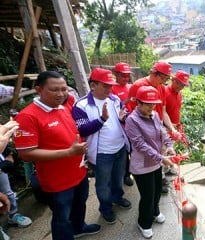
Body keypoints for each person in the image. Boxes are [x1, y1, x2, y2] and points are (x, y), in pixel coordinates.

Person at [14, 71, 101, 240]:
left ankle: (79, 228)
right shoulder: (27, 116)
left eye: (64, 89)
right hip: (57, 181)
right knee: (62, 217)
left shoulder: (63, 106)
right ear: (38, 89)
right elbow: (26, 154)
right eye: (54, 90)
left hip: (78, 172)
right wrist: (68, 152)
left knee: (79, 205)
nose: (61, 94)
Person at [72, 68, 131, 225]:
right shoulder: (81, 105)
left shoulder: (114, 100)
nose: (109, 89)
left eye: (110, 85)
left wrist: (124, 118)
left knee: (118, 178)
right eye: (105, 85)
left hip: (119, 148)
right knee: (103, 184)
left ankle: (117, 198)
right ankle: (105, 208)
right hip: (101, 153)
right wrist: (101, 119)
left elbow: (124, 118)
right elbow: (82, 129)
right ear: (93, 84)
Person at [125, 86, 175, 239]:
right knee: (147, 196)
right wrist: (161, 158)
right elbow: (140, 145)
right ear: (138, 103)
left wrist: (169, 146)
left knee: (158, 190)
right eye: (148, 104)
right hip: (142, 166)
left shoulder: (154, 115)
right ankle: (144, 223)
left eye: (154, 104)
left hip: (156, 162)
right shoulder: (132, 120)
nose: (151, 107)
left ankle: (155, 212)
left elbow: (163, 132)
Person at [126, 61, 177, 193]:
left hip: (156, 125)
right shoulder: (138, 86)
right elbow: (132, 113)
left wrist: (171, 128)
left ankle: (158, 181)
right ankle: (148, 186)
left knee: (160, 157)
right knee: (146, 156)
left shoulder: (161, 87)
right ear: (153, 73)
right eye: (162, 78)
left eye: (166, 79)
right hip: (142, 129)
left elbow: (163, 111)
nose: (163, 82)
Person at [111, 62, 134, 187]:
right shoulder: (112, 88)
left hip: (132, 124)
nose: (126, 78)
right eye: (123, 76)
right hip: (121, 125)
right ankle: (126, 175)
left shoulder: (130, 87)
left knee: (134, 150)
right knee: (124, 151)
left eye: (127, 76)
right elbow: (114, 107)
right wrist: (127, 100)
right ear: (116, 74)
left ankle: (133, 171)